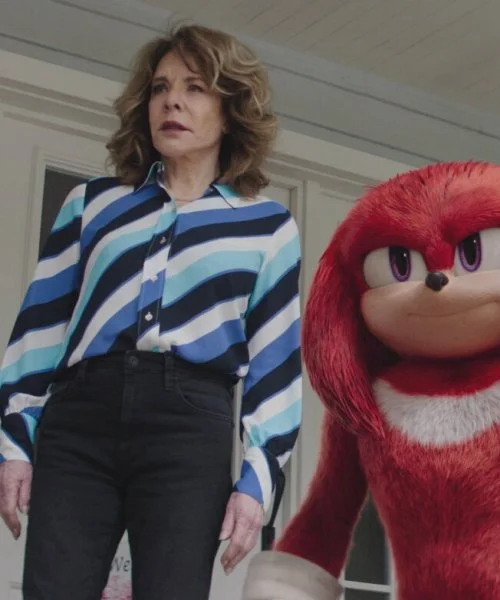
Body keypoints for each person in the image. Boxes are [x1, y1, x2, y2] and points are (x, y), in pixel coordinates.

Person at [0, 24, 302, 599]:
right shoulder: (92, 204)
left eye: (195, 88)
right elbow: (40, 329)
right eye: (161, 87)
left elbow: (276, 364)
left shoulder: (266, 226)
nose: (172, 102)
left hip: (189, 426)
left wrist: (257, 481)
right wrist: (15, 443)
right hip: (79, 418)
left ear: (230, 111)